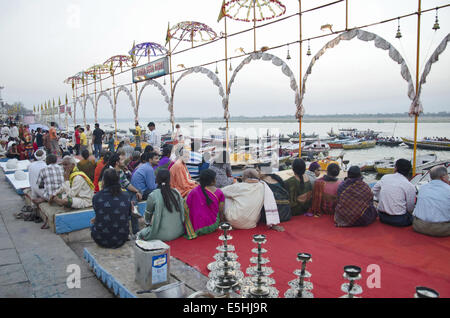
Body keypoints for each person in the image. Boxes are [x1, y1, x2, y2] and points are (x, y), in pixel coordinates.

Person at [137, 169, 186, 242]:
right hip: (179, 231)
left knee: (141, 234)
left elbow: (148, 215)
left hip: (161, 234)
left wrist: (148, 224)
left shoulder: (153, 195)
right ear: (170, 179)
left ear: (156, 179)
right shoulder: (176, 192)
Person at [100, 153, 143, 234]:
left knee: (135, 193)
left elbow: (126, 184)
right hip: (111, 196)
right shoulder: (108, 172)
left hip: (120, 194)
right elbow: (104, 188)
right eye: (122, 160)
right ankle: (133, 213)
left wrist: (137, 191)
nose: (124, 161)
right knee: (128, 201)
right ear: (117, 162)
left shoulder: (120, 171)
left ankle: (134, 211)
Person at [91, 168, 132, 248]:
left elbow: (98, 213)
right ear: (118, 180)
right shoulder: (126, 196)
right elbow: (128, 214)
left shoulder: (97, 197)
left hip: (100, 239)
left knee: (93, 223)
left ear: (104, 181)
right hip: (122, 239)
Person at [372, 159, 416, 227]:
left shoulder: (385, 177)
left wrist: (381, 198)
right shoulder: (410, 186)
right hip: (399, 220)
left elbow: (374, 191)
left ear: (395, 168)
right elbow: (410, 207)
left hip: (382, 216)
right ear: (409, 171)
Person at [185, 169, 224, 238]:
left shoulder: (193, 191)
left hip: (196, 227)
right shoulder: (219, 192)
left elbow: (187, 206)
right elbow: (221, 211)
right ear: (212, 181)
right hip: (212, 226)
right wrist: (221, 222)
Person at [412, 165, 450, 237]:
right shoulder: (448, 189)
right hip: (440, 229)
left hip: (419, 226)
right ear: (444, 176)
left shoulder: (423, 188)